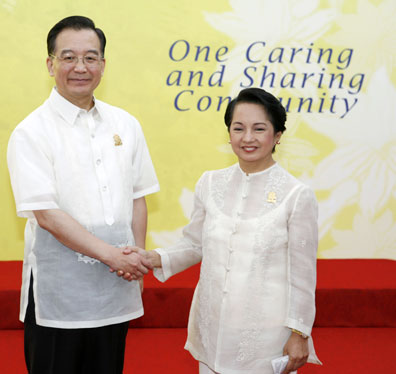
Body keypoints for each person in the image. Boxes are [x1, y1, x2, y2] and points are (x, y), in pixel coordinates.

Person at [122, 87, 321, 373]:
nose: (247, 138)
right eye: (238, 128)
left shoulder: (297, 195)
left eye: (259, 128)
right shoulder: (209, 183)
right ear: (228, 134)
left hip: (265, 339)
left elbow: (303, 276)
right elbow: (194, 244)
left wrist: (299, 333)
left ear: (277, 136)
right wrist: (151, 258)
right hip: (212, 329)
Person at [7, 16, 159, 374]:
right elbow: (46, 215)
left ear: (103, 66)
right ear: (50, 64)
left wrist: (133, 260)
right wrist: (113, 256)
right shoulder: (31, 132)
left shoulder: (126, 125)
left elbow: (138, 197)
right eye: (68, 57)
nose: (80, 67)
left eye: (90, 58)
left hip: (114, 288)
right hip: (59, 298)